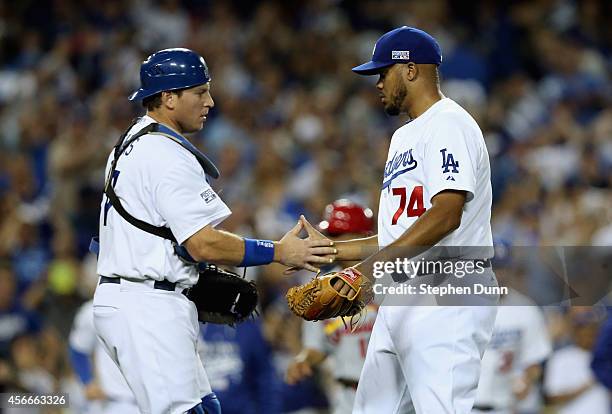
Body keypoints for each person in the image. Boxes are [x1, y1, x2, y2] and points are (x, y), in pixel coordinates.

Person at [92, 48, 335, 414]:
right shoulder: (165, 154)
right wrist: (279, 252)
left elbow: (151, 235)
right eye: (200, 92)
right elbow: (202, 243)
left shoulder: (131, 141)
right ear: (169, 98)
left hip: (138, 295)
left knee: (207, 407)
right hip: (146, 304)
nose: (210, 101)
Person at [300, 27, 498, 413]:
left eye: (383, 72)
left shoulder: (448, 122)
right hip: (401, 292)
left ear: (410, 70)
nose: (377, 83)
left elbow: (446, 214)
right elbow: (397, 235)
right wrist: (329, 250)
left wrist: (364, 272)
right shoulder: (404, 136)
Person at [286, 200, 378, 414]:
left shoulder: (393, 277)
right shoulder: (323, 288)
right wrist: (304, 360)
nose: (331, 242)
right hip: (349, 397)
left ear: (365, 237)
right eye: (331, 235)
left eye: (338, 235)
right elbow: (316, 347)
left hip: (397, 390)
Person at [69, 299, 140, 414]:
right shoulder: (94, 309)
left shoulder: (156, 305)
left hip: (156, 401)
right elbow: (78, 349)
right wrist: (87, 381)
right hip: (116, 402)